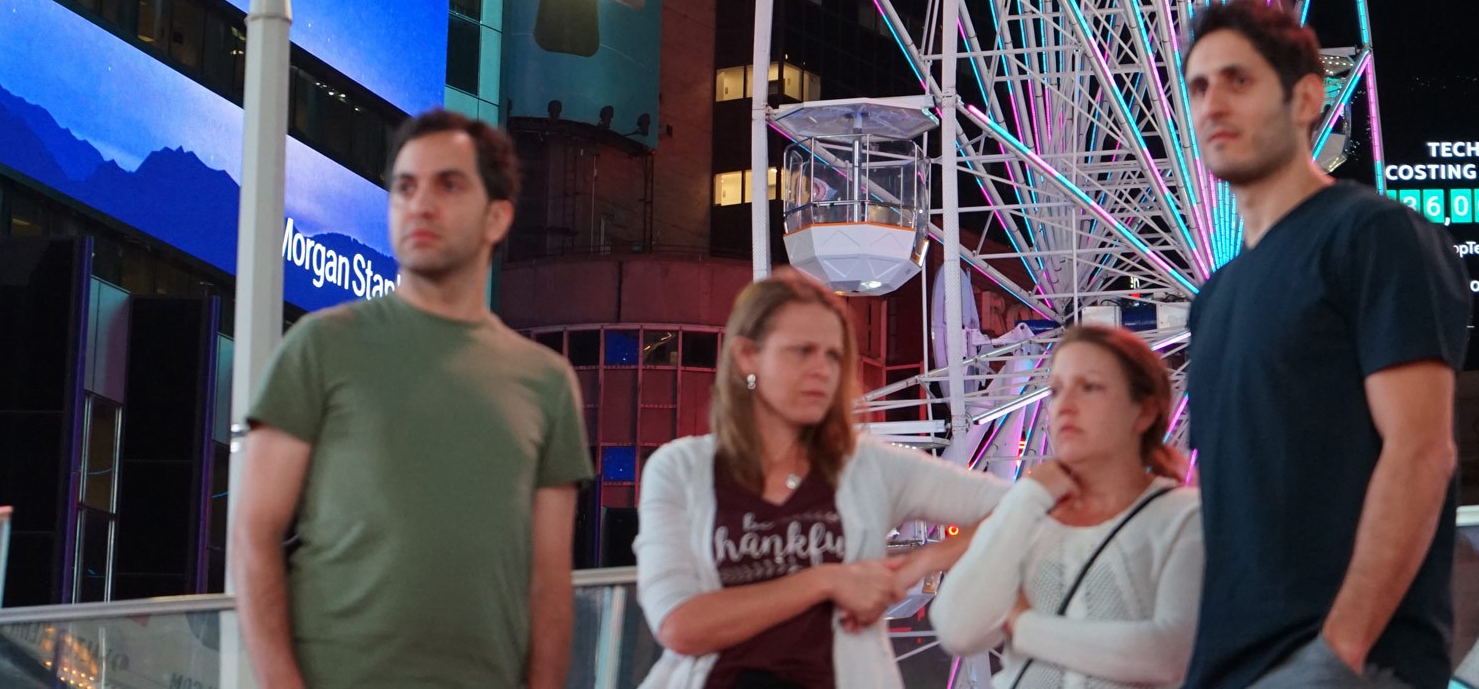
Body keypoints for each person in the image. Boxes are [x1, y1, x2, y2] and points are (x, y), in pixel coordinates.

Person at [232, 111, 592, 689]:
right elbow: (253, 532)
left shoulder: (547, 382)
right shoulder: (321, 346)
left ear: (498, 216)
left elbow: (550, 580)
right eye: (405, 187)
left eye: (448, 185)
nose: (420, 204)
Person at [1179, 0, 1470, 689]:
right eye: (1198, 86)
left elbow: (1422, 448)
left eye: (1238, 79)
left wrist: (1338, 650)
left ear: (1308, 96)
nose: (1213, 101)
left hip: (1352, 664)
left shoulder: (1374, 238)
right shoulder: (1213, 301)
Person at [635, 268, 1008, 688]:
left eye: (833, 355)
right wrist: (824, 582)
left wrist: (922, 563)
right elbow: (680, 625)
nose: (821, 369)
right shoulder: (681, 469)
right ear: (747, 357)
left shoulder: (869, 467)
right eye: (801, 351)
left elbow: (1023, 507)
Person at [930, 323, 1204, 688]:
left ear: (1145, 411)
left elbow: (1165, 655)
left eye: (1089, 387)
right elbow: (958, 629)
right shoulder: (1033, 516)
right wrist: (1025, 499)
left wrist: (1023, 626)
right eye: (1056, 390)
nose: (1065, 406)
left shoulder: (1183, 518)